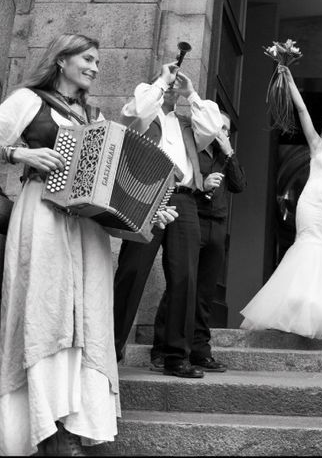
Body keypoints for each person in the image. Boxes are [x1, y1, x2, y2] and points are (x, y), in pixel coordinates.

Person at [0, 33, 175, 456]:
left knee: (87, 318)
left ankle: (77, 422)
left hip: (86, 231)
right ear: (61, 60)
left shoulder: (93, 117)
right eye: (89, 59)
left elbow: (109, 186)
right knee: (47, 310)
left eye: (98, 61)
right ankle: (45, 427)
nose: (96, 68)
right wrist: (18, 155)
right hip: (41, 215)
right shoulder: (29, 99)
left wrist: (150, 212)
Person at [239, 65, 322, 339]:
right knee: (307, 248)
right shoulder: (315, 143)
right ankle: (295, 309)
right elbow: (302, 111)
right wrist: (290, 82)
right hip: (311, 203)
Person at [113, 62, 224, 379]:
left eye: (176, 85)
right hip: (144, 195)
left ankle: (176, 355)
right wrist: (162, 80)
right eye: (169, 84)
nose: (174, 86)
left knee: (185, 277)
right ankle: (111, 349)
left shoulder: (187, 124)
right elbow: (137, 110)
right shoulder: (144, 115)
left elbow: (213, 127)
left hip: (184, 199)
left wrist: (192, 93)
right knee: (132, 271)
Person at [150, 110, 246, 371]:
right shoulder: (194, 150)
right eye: (218, 128)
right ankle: (161, 349)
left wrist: (229, 152)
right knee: (180, 287)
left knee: (204, 292)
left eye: (225, 130)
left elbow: (239, 185)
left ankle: (200, 351)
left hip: (217, 225)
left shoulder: (225, 157)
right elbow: (185, 183)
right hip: (193, 221)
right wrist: (204, 185)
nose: (221, 133)